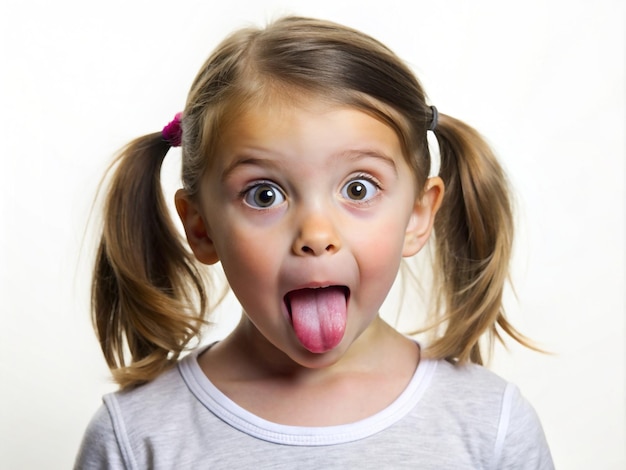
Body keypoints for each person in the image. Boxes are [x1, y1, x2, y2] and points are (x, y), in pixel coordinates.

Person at [75, 16, 553, 469]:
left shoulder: (492, 425)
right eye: (264, 195)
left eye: (358, 189)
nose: (316, 236)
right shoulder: (136, 438)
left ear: (417, 215)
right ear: (201, 227)